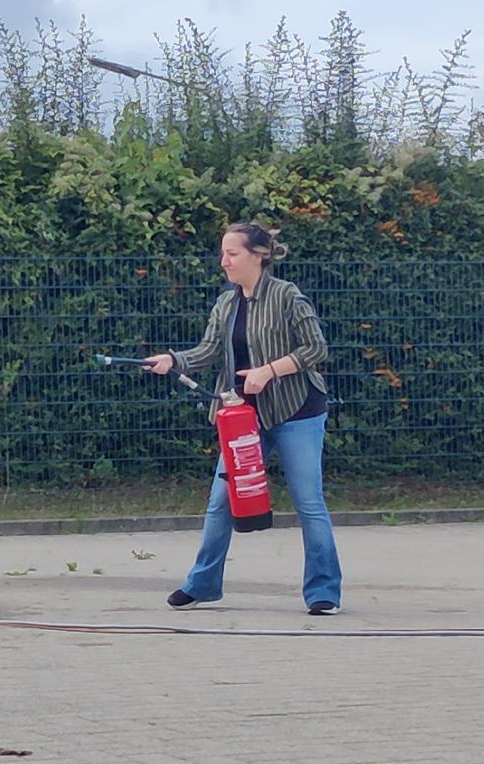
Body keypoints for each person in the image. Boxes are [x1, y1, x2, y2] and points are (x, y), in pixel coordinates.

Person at [143, 223, 343, 615]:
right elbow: (208, 350)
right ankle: (202, 583)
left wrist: (268, 371)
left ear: (258, 256)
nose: (224, 261)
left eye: (232, 253)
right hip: (244, 418)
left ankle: (324, 593)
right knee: (221, 502)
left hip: (297, 410)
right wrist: (172, 360)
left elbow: (316, 348)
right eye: (223, 253)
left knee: (308, 502)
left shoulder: (288, 297)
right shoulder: (225, 304)